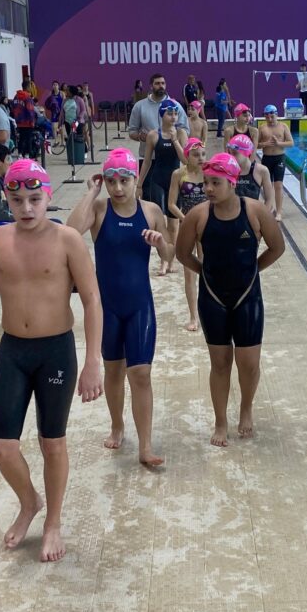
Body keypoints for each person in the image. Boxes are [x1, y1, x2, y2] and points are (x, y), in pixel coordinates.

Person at [0, 158, 103, 562]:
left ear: (48, 198)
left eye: (35, 199)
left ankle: (53, 522)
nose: (26, 208)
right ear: (7, 197)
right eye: (18, 199)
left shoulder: (68, 240)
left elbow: (92, 299)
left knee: (51, 442)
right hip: (13, 350)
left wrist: (93, 360)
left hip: (55, 351)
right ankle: (29, 502)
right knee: (3, 447)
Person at [68, 148, 171, 468]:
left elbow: (171, 256)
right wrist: (91, 193)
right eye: (111, 181)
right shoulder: (100, 208)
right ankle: (117, 425)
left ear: (134, 179)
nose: (117, 188)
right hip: (107, 307)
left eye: (124, 180)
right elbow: (70, 232)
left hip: (139, 304)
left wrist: (160, 244)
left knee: (140, 373)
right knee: (113, 371)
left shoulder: (151, 211)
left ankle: (145, 445)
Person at [176, 152, 285, 446]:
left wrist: (253, 270)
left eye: (216, 183)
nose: (208, 189)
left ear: (233, 183)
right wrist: (204, 273)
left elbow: (277, 247)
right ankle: (221, 421)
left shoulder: (255, 211)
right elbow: (181, 253)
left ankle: (246, 408)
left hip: (248, 296)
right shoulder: (198, 215)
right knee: (220, 363)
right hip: (213, 298)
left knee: (249, 363)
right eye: (207, 182)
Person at [137, 98, 185, 270]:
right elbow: (147, 162)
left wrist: (175, 141)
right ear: (162, 115)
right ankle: (164, 259)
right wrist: (139, 184)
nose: (173, 117)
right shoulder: (153, 135)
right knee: (159, 223)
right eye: (169, 113)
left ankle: (171, 260)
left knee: (173, 223)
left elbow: (185, 160)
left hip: (176, 182)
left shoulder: (180, 134)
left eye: (175, 113)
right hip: (157, 180)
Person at [168, 136, 207, 332]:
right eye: (195, 154)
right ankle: (193, 316)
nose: (200, 158)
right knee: (189, 274)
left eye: (202, 154)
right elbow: (171, 204)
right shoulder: (178, 174)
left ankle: (209, 312)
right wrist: (185, 219)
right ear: (187, 156)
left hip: (208, 227)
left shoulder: (209, 173)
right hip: (188, 226)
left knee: (208, 272)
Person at [128, 74, 189, 162]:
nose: (161, 86)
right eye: (157, 83)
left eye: (163, 83)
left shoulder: (176, 106)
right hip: (147, 158)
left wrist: (173, 139)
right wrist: (140, 137)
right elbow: (132, 131)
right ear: (151, 86)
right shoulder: (139, 106)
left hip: (171, 158)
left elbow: (185, 130)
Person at [258, 103, 294, 222]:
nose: (269, 119)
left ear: (277, 114)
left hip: (279, 158)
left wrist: (279, 144)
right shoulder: (262, 128)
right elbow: (255, 145)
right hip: (266, 159)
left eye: (271, 116)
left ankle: (279, 212)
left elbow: (291, 143)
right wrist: (265, 144)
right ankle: (269, 207)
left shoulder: (283, 127)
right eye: (267, 116)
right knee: (267, 186)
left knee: (278, 185)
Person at [226, 134, 275, 213]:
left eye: (235, 153)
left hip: (253, 217)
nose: (231, 157)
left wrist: (263, 217)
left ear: (246, 152)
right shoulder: (226, 170)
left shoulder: (261, 171)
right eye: (230, 153)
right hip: (231, 217)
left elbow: (269, 200)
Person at [10, 88, 37, 158]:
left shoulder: (16, 96)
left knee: (21, 139)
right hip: (27, 123)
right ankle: (27, 154)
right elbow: (30, 110)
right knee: (28, 139)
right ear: (28, 87)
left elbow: (12, 108)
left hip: (19, 122)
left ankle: (19, 154)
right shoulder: (28, 97)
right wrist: (32, 121)